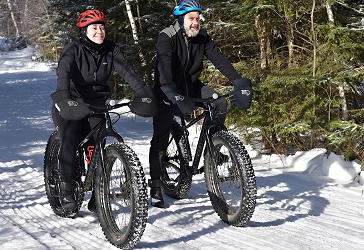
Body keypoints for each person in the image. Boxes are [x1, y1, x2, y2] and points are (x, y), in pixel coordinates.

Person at [148, 0, 253, 208]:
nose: (196, 22)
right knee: (160, 136)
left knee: (220, 102)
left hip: (192, 86)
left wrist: (237, 81)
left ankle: (214, 147)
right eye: (191, 19)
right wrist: (171, 92)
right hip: (166, 87)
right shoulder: (166, 36)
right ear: (181, 19)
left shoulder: (202, 37)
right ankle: (156, 185)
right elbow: (164, 65)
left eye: (198, 18)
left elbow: (219, 58)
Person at [50, 9, 156, 214]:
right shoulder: (73, 50)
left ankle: (97, 192)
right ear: (84, 31)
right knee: (70, 140)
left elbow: (128, 72)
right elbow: (62, 74)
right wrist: (64, 98)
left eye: (102, 27)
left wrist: (144, 93)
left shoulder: (111, 50)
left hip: (97, 104)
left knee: (97, 145)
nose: (99, 31)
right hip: (71, 102)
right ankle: (66, 189)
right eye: (94, 28)